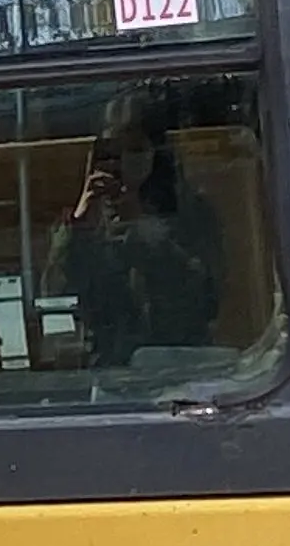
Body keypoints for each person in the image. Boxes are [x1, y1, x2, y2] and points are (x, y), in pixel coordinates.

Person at [45, 106, 220, 367]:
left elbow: (207, 299)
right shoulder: (84, 219)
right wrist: (79, 227)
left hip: (183, 364)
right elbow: (53, 295)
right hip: (110, 371)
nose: (121, 163)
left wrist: (143, 229)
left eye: (134, 150)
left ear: (156, 153)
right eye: (111, 152)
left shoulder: (191, 211)